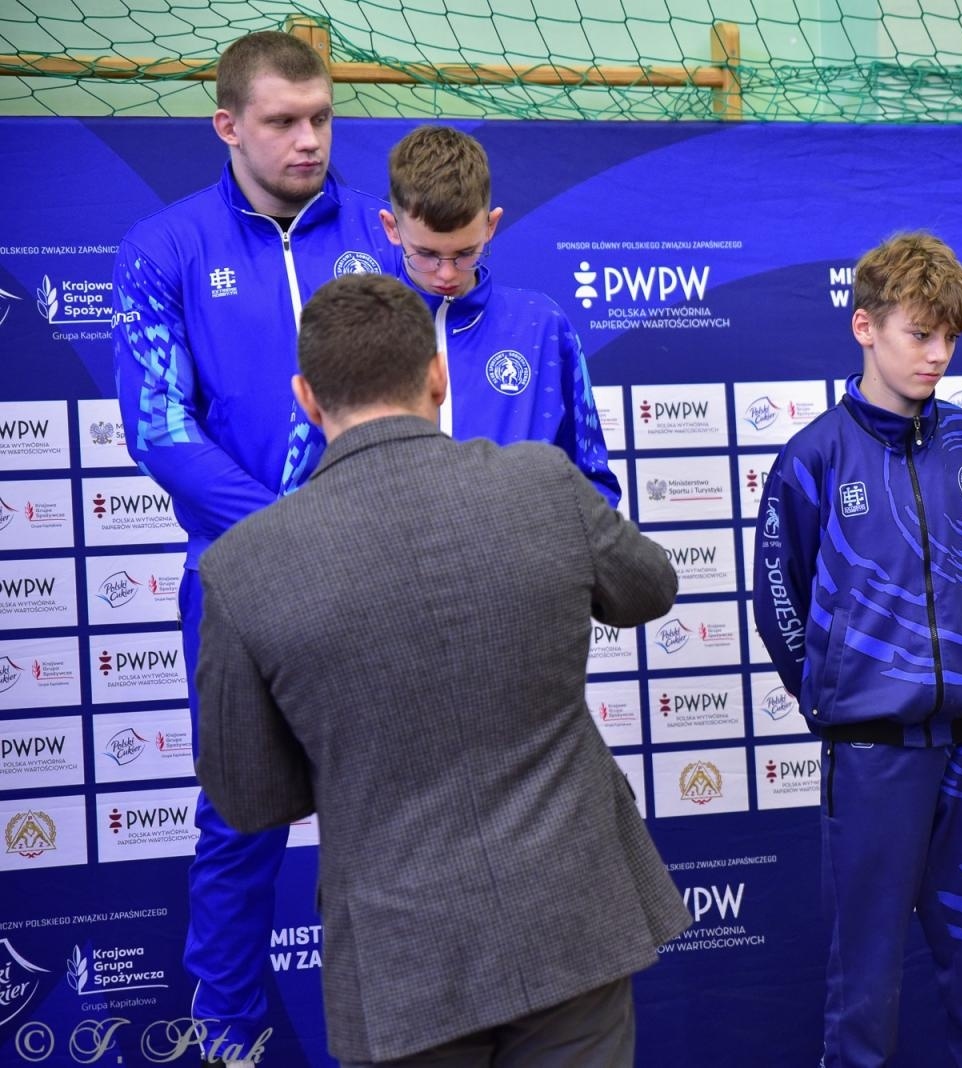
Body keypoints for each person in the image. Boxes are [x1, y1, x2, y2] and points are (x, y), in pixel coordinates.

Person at [193, 273, 689, 1068]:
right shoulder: (541, 483)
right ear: (437, 376)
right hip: (573, 916)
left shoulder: (242, 567)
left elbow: (252, 798)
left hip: (400, 956)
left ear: (306, 400)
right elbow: (651, 587)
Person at [111, 29, 399, 1058]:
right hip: (239, 585)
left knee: (398, 814)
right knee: (238, 821)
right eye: (282, 121)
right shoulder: (163, 249)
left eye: (322, 118)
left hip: (384, 574)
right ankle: (228, 1034)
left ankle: (414, 1024)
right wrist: (291, 529)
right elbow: (160, 428)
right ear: (228, 124)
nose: (309, 140)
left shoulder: (383, 230)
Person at [753, 232, 962, 1067]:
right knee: (865, 990)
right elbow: (778, 600)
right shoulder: (813, 458)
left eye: (949, 338)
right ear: (865, 327)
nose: (937, 355)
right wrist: (835, 697)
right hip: (871, 757)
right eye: (920, 334)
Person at [287, 123, 619, 503]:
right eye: (426, 254)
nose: (446, 274)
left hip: (520, 560)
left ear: (491, 226)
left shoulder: (542, 325)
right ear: (391, 228)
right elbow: (298, 498)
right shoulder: (347, 332)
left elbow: (593, 485)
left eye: (465, 254)